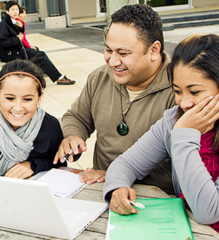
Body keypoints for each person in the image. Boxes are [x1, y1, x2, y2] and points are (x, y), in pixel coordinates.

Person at [103, 34, 219, 236]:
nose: (184, 103)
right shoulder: (172, 121)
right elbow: (126, 164)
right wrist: (117, 187)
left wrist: (184, 136)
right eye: (177, 91)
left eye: (194, 92)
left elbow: (208, 211)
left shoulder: (181, 127)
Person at [54, 4, 176, 194]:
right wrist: (72, 135)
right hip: (99, 186)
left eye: (123, 53)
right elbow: (77, 117)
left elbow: (178, 163)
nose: (112, 61)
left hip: (153, 197)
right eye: (108, 50)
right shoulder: (99, 77)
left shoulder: (180, 90)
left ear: (154, 50)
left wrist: (115, 175)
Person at [0, 59, 66, 179]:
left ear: (39, 97)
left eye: (27, 99)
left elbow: (59, 165)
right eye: (10, 98)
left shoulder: (50, 126)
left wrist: (33, 165)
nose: (18, 108)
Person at [0, 1, 75, 85]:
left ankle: (49, 75)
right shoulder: (4, 24)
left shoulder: (14, 22)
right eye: (12, 10)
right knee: (40, 55)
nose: (15, 12)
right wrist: (16, 39)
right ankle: (58, 78)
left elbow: (20, 36)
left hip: (17, 50)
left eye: (16, 9)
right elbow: (2, 42)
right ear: (7, 11)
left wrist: (21, 27)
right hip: (11, 54)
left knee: (38, 54)